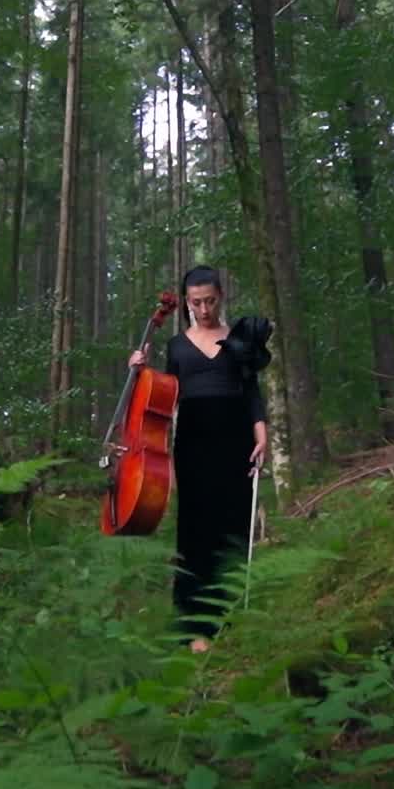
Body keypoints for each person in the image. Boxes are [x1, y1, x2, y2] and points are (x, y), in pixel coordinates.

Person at [130, 266, 269, 653]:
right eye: (195, 303)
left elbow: (251, 391)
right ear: (186, 303)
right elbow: (163, 395)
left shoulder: (238, 339)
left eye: (209, 300)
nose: (203, 309)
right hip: (193, 444)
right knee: (195, 531)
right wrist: (140, 372)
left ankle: (231, 615)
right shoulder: (177, 347)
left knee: (234, 525)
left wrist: (261, 432)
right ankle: (194, 625)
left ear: (220, 296)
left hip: (236, 440)